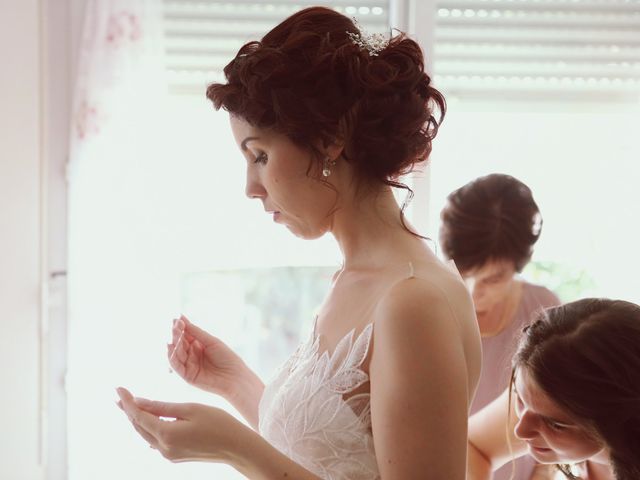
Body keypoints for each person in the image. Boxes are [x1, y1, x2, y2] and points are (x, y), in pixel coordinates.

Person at [116, 6, 481, 479]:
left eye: (260, 156)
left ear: (330, 141)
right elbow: (332, 452)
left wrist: (236, 449)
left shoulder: (414, 302)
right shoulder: (355, 280)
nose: (251, 186)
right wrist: (233, 382)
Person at [440, 173, 561, 479]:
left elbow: (559, 412)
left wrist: (542, 474)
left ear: (518, 267)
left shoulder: (543, 309)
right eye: (462, 271)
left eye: (492, 279)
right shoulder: (425, 308)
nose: (472, 290)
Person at [467, 298, 640, 480]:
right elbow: (473, 447)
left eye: (555, 425)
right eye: (519, 398)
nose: (520, 430)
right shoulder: (541, 396)